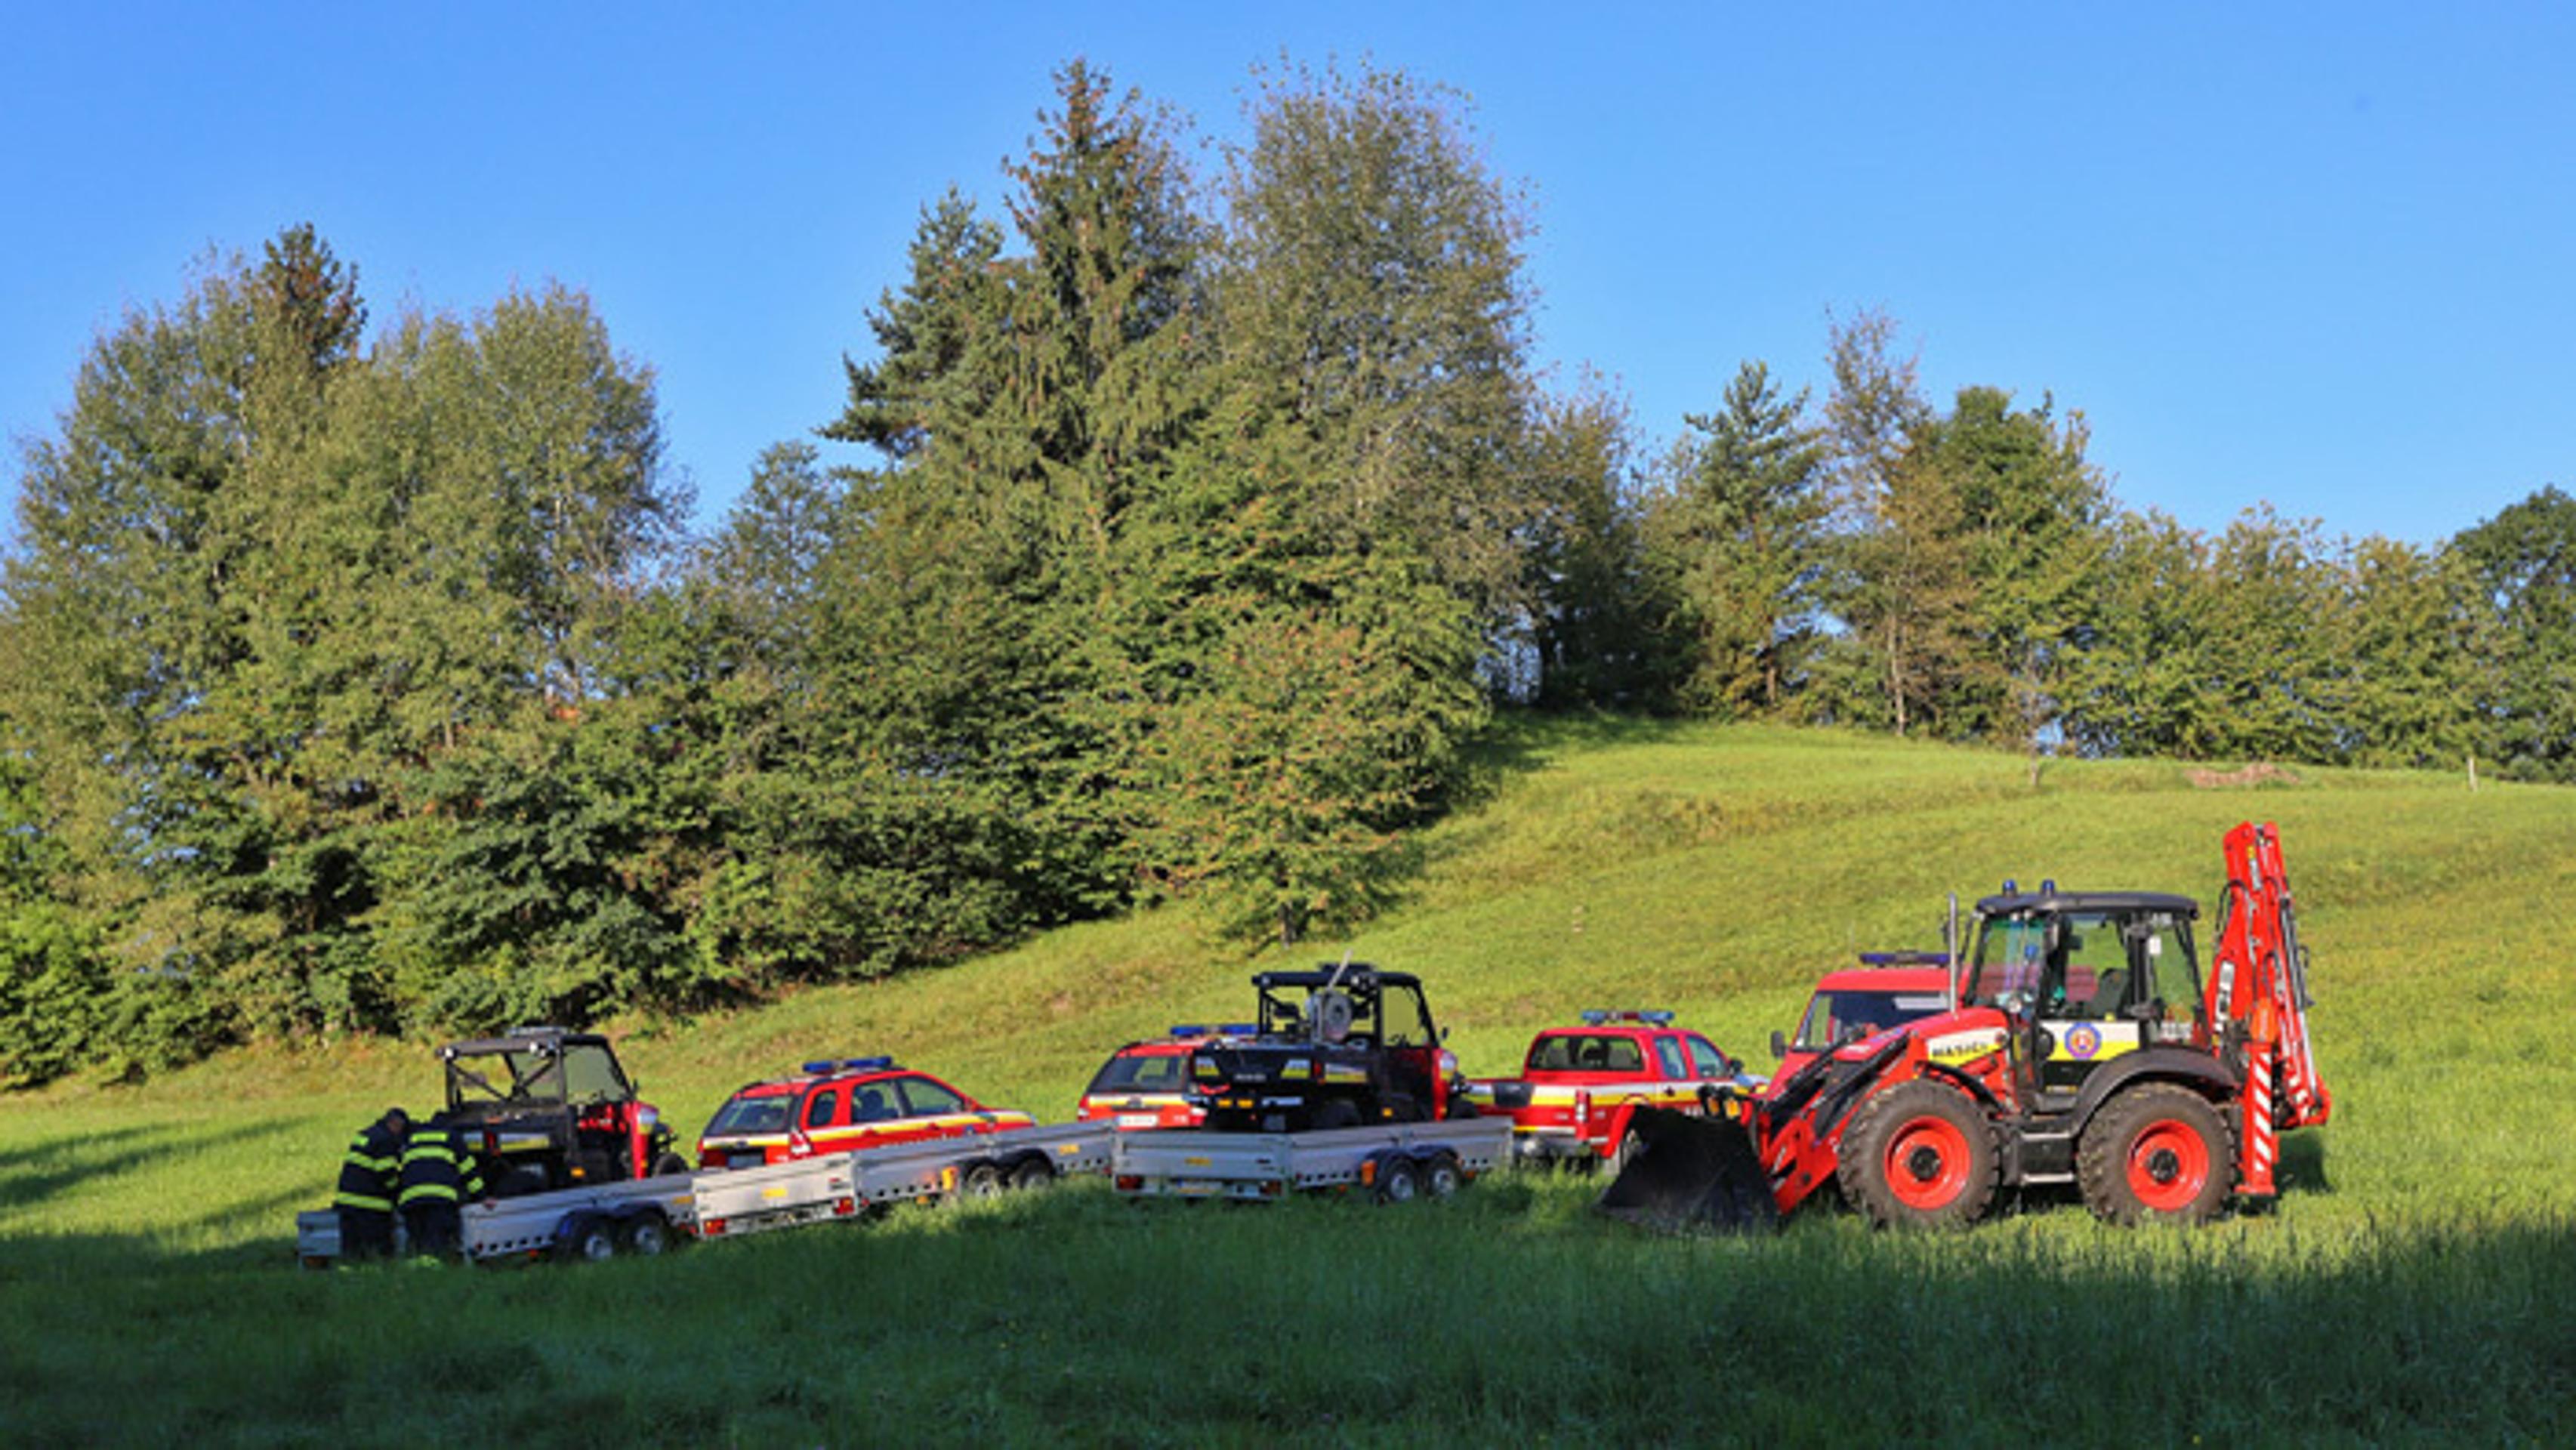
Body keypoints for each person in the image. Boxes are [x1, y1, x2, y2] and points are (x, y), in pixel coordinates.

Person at [397, 1112, 486, 1260]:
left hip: (411, 1201)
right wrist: (481, 1197)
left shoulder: (413, 1137)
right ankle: (434, 1269)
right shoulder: (452, 1137)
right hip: (439, 1201)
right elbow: (468, 1171)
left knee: (417, 1243)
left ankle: (417, 1269)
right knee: (437, 1245)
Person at [332, 1107, 411, 1263]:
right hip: (370, 1207)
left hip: (346, 1203)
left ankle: (348, 1271)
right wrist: (399, 1194)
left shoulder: (365, 1135)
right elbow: (387, 1175)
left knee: (351, 1250)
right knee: (378, 1251)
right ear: (396, 1124)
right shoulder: (385, 1141)